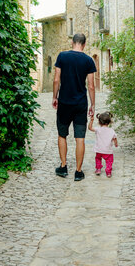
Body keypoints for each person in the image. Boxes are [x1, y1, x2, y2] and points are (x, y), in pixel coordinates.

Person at [52, 33, 96, 181]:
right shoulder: (88, 60)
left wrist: (54, 97)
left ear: (72, 42)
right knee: (80, 138)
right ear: (84, 44)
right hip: (80, 104)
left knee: (62, 134)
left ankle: (63, 167)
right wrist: (93, 104)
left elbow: (56, 79)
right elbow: (91, 85)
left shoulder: (62, 56)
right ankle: (78, 171)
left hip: (64, 102)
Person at [88, 112, 118, 178]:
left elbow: (90, 128)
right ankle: (108, 172)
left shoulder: (98, 129)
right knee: (109, 161)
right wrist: (116, 144)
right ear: (110, 122)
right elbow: (114, 138)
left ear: (99, 122)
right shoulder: (111, 130)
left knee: (98, 158)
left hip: (99, 149)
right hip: (108, 150)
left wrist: (91, 121)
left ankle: (98, 169)